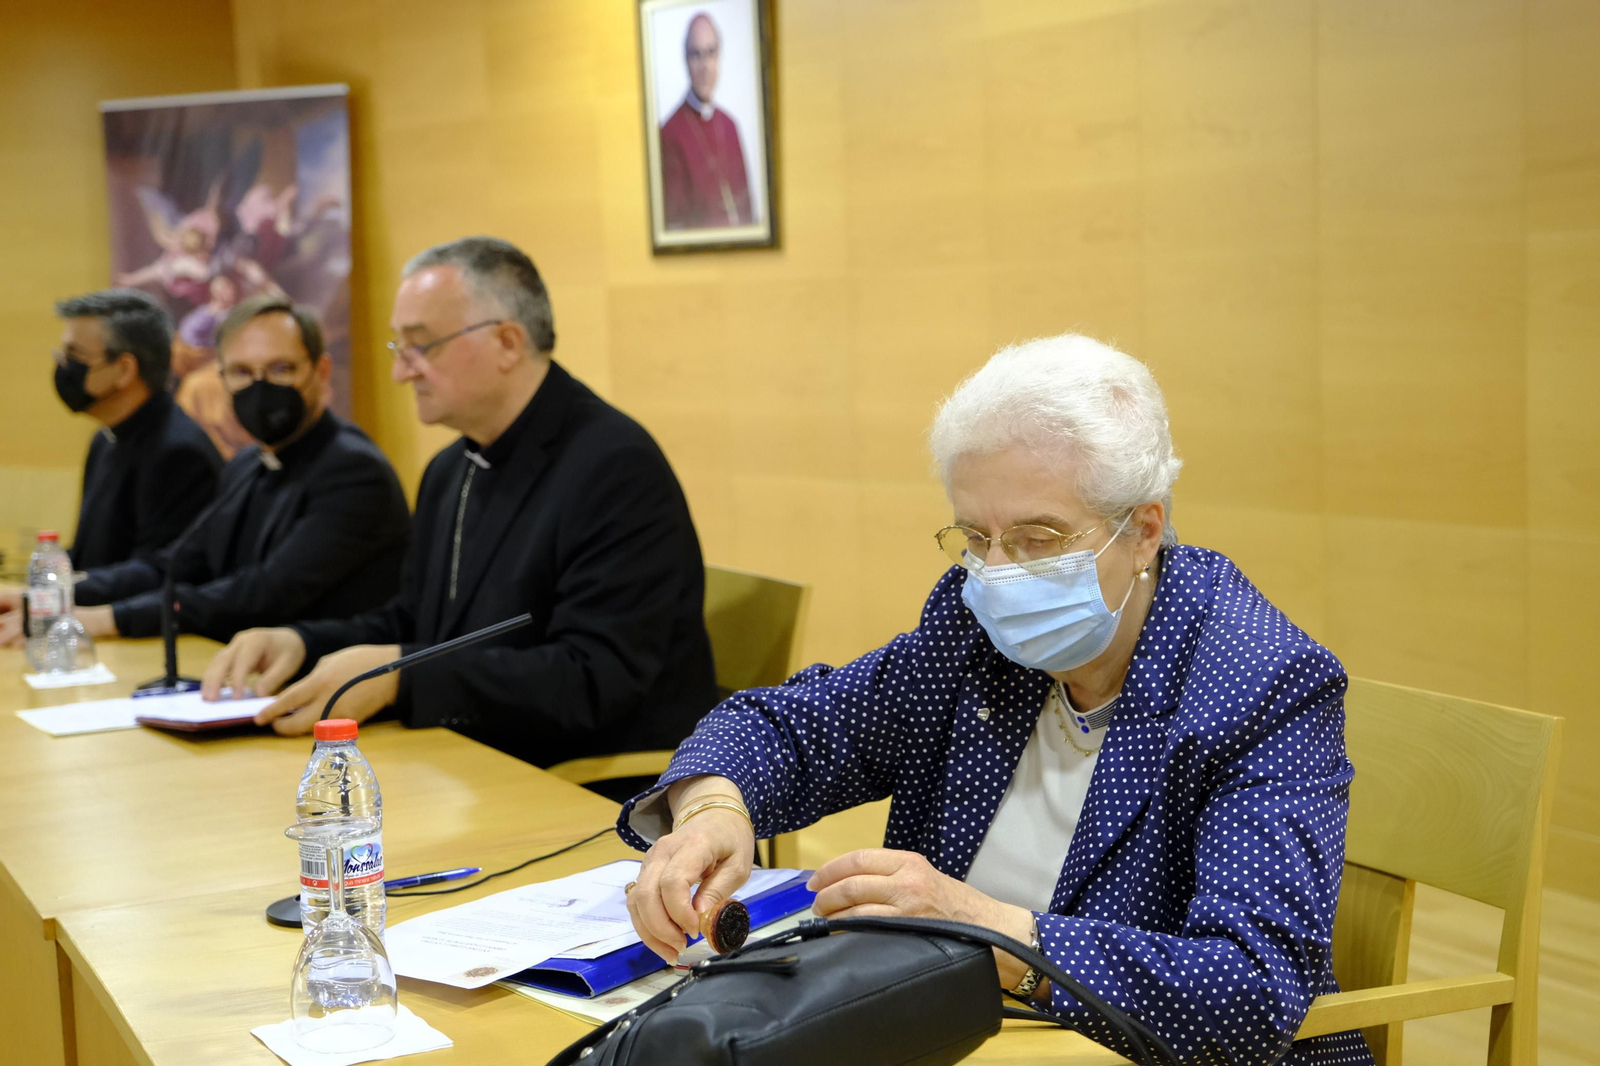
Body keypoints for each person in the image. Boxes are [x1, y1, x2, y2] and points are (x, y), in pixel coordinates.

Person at [618, 335, 1374, 1066]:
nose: (998, 573)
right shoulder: (973, 625)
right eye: (976, 537)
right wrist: (712, 810)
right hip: (964, 1031)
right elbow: (795, 725)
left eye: (1038, 538)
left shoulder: (1261, 682)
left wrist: (986, 929)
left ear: (1145, 530)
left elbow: (1249, 991)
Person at [202, 237, 717, 790]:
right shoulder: (453, 467)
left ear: (506, 342)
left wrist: (401, 678)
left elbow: (593, 679)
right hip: (472, 766)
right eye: (399, 347)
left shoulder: (614, 466)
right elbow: (417, 622)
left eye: (422, 346)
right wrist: (301, 642)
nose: (403, 373)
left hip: (594, 791)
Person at [62, 294, 410, 644]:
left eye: (280, 369)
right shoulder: (247, 464)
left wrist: (115, 618)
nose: (259, 388)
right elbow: (175, 564)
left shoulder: (355, 471)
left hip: (326, 682)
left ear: (321, 372)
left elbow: (264, 593)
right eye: (241, 372)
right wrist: (59, 594)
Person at [0, 289, 221, 647]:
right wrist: (35, 588)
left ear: (124, 369)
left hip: (137, 640)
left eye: (74, 355)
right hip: (86, 633)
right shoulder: (106, 439)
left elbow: (159, 573)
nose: (61, 365)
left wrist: (47, 595)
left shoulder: (179, 452)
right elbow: (91, 554)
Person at [659, 12, 753, 229]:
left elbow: (748, 210)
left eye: (711, 53)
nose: (705, 66)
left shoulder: (730, 126)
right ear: (686, 60)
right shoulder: (669, 133)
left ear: (719, 57)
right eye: (696, 55)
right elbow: (676, 224)